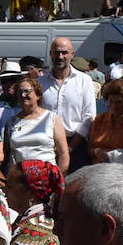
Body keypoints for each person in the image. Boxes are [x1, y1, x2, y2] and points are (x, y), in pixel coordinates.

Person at [40, 37, 94, 170]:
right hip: (46, 147)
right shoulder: (40, 83)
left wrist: (69, 148)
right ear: (50, 54)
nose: (60, 56)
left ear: (72, 54)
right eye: (56, 52)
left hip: (76, 145)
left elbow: (89, 116)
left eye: (64, 52)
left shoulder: (84, 80)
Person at [2, 75, 69, 175]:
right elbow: (6, 154)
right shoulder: (11, 122)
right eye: (19, 92)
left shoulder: (52, 118)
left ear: (38, 95)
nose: (23, 95)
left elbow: (63, 154)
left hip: (47, 179)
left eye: (27, 91)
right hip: (21, 180)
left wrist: (60, 179)